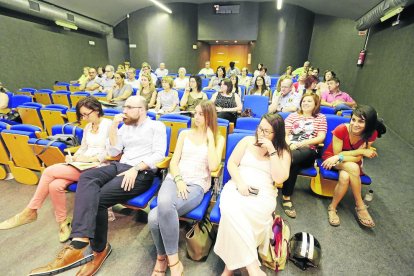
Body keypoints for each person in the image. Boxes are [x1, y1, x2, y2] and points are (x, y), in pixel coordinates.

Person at [29, 96, 167, 275]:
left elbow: (158, 155)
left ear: (141, 109)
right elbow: (114, 151)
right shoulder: (125, 126)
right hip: (119, 166)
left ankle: (100, 249)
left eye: (128, 107)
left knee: (99, 199)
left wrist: (136, 169)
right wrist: (113, 129)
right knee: (87, 178)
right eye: (124, 107)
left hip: (141, 172)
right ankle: (80, 238)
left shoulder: (157, 126)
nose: (123, 111)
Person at [0, 97, 112, 242]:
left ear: (97, 110)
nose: (84, 118)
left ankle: (31, 211)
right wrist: (74, 157)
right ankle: (63, 223)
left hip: (99, 167)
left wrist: (90, 159)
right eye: (81, 115)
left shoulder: (109, 125)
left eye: (86, 114)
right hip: (82, 164)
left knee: (48, 171)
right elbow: (84, 148)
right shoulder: (88, 127)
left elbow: (111, 153)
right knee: (55, 185)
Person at [149, 100, 225, 276]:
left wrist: (211, 138)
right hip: (174, 179)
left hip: (197, 185)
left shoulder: (218, 138)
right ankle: (173, 262)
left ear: (209, 117)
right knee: (162, 209)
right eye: (195, 113)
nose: (196, 117)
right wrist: (179, 180)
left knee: (155, 217)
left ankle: (162, 259)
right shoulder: (184, 134)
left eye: (201, 114)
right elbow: (174, 163)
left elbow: (214, 166)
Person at [214, 113, 291, 276]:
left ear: (276, 134)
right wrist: (241, 183)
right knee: (231, 209)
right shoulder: (247, 141)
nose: (260, 133)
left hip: (263, 193)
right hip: (237, 185)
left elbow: (279, 178)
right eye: (260, 128)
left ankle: (228, 269)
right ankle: (253, 269)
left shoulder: (283, 152)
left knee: (238, 217)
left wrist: (271, 151)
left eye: (266, 131)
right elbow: (232, 164)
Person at [322, 105, 386, 228]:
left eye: (361, 121)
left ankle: (332, 207)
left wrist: (344, 155)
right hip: (332, 159)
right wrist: (360, 152)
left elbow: (356, 159)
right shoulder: (341, 129)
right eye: (353, 119)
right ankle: (360, 205)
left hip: (350, 161)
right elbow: (336, 154)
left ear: (369, 123)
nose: (355, 124)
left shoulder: (371, 134)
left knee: (345, 177)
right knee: (354, 168)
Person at [282, 93, 327, 218]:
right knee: (294, 164)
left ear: (315, 104)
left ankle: (279, 164)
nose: (305, 103)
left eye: (309, 101)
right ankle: (286, 197)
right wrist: (290, 144)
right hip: (291, 149)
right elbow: (284, 133)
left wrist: (301, 143)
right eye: (304, 101)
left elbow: (321, 137)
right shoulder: (292, 116)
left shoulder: (320, 118)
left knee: (297, 156)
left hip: (309, 150)